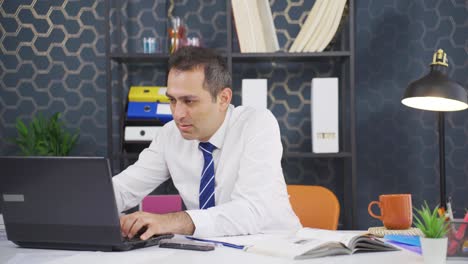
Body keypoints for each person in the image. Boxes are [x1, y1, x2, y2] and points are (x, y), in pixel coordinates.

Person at [113, 46, 301, 240]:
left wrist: (173, 221)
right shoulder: (170, 134)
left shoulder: (257, 124)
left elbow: (251, 210)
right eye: (172, 100)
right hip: (211, 251)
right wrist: (89, 206)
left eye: (189, 101)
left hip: (273, 248)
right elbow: (124, 188)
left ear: (223, 99)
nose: (177, 114)